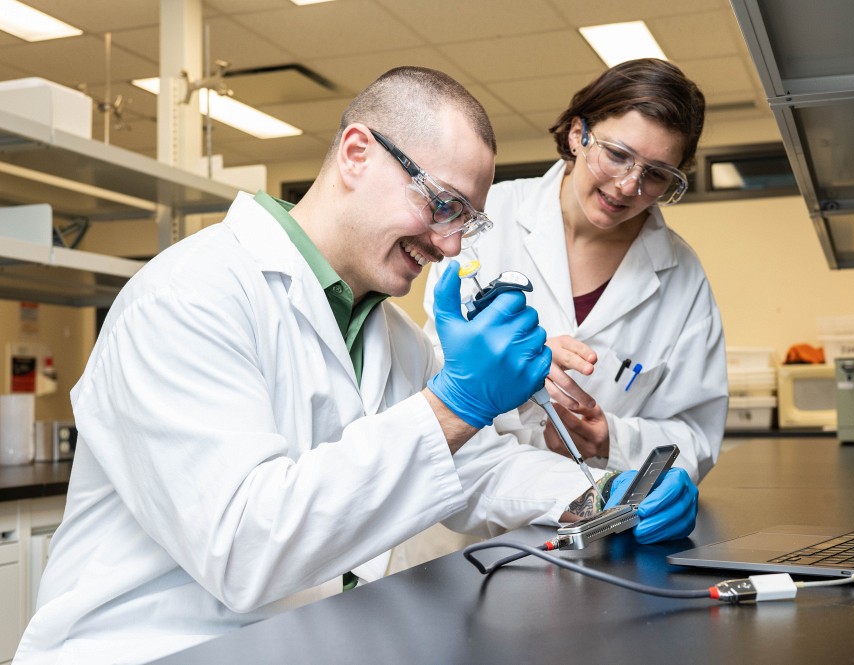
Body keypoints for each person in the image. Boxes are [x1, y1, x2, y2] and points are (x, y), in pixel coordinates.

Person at [14, 67, 696, 665]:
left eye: (469, 221)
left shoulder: (383, 329)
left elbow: (479, 468)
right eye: (441, 204)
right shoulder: (187, 296)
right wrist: (455, 405)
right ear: (357, 152)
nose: (451, 243)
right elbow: (246, 548)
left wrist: (604, 495)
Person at [424, 58, 728, 483]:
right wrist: (509, 362)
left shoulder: (682, 275)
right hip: (469, 514)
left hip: (602, 517)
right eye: (617, 155)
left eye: (656, 174)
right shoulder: (490, 219)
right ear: (577, 134)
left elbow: (696, 434)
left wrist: (610, 439)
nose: (628, 186)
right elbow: (428, 375)